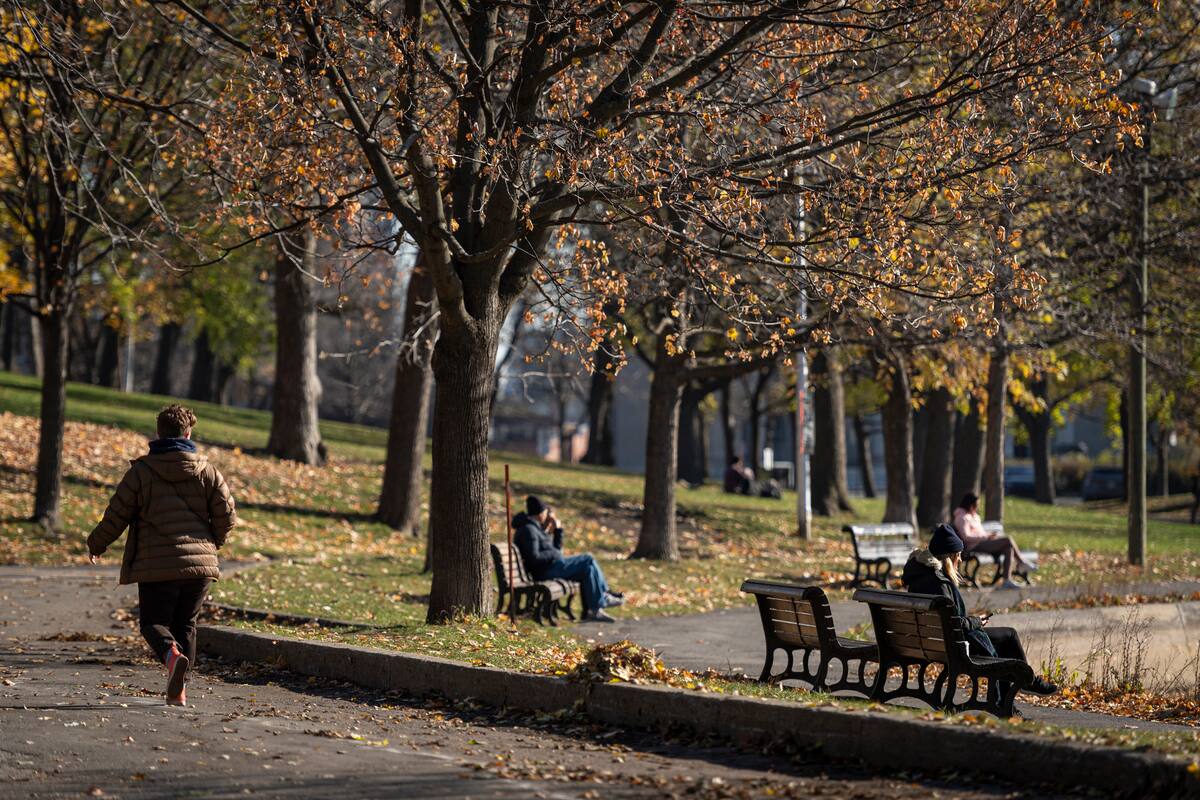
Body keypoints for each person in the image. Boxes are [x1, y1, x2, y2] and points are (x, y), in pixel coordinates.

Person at [87, 405, 237, 706]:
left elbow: (117, 514)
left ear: (158, 433)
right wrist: (213, 544)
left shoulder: (142, 473)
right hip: (199, 568)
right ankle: (179, 688)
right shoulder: (208, 471)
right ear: (188, 433)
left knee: (153, 623)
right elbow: (227, 515)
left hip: (157, 565)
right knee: (186, 625)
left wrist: (97, 543)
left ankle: (171, 658)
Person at [902, 523, 1057, 698]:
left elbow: (947, 620)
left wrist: (973, 621)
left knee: (1008, 635)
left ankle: (1023, 685)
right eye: (958, 556)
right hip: (953, 644)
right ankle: (1022, 685)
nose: (960, 560)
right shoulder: (939, 583)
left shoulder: (920, 575)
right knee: (1008, 638)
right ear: (949, 557)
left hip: (932, 641)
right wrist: (976, 621)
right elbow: (955, 624)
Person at [512, 496, 622, 623]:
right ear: (541, 513)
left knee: (588, 568)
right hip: (545, 571)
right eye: (546, 512)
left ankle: (594, 609)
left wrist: (557, 531)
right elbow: (534, 558)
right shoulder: (529, 530)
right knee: (588, 559)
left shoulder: (536, 528)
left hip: (551, 567)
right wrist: (554, 553)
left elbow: (555, 550)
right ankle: (602, 599)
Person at [951, 492, 1035, 589]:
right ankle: (1021, 563)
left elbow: (980, 533)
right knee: (1008, 540)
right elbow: (966, 536)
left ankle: (1006, 580)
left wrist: (989, 536)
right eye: (976, 504)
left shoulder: (975, 517)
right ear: (970, 504)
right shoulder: (962, 517)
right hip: (973, 546)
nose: (977, 507)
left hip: (983, 543)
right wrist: (986, 537)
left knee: (1008, 549)